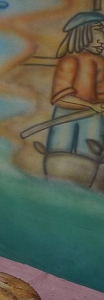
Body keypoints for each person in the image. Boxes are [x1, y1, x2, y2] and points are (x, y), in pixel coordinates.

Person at [43, 11, 104, 187]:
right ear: (83, 33)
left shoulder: (100, 63)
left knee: (88, 156)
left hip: (93, 119)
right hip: (65, 115)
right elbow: (61, 97)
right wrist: (90, 106)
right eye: (99, 30)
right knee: (59, 153)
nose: (103, 37)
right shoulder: (70, 61)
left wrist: (96, 108)